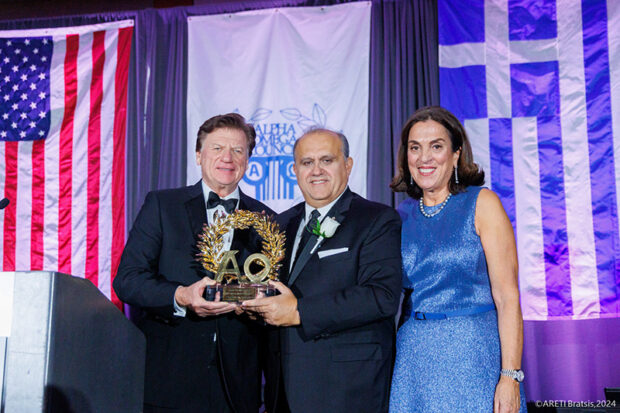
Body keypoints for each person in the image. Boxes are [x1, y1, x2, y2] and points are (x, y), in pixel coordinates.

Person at [113, 113, 273, 413]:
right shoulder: (162, 206)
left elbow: (269, 290)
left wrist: (250, 299)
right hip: (169, 381)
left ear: (248, 160)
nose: (228, 157)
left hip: (237, 388)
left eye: (238, 150)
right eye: (217, 148)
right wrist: (181, 296)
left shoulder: (266, 220)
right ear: (198, 155)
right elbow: (128, 280)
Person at [242, 128, 402, 413]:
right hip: (282, 389)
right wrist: (247, 303)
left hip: (346, 389)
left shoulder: (377, 219)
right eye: (307, 162)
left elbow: (381, 296)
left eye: (327, 160)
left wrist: (298, 311)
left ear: (348, 165)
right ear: (294, 170)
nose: (316, 170)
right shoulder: (279, 225)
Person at [388, 106, 527, 412]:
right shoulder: (399, 217)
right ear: (406, 157)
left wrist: (510, 376)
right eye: (415, 148)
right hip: (414, 361)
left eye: (436, 146)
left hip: (474, 355)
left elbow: (507, 298)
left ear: (455, 155)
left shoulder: (482, 203)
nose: (424, 157)